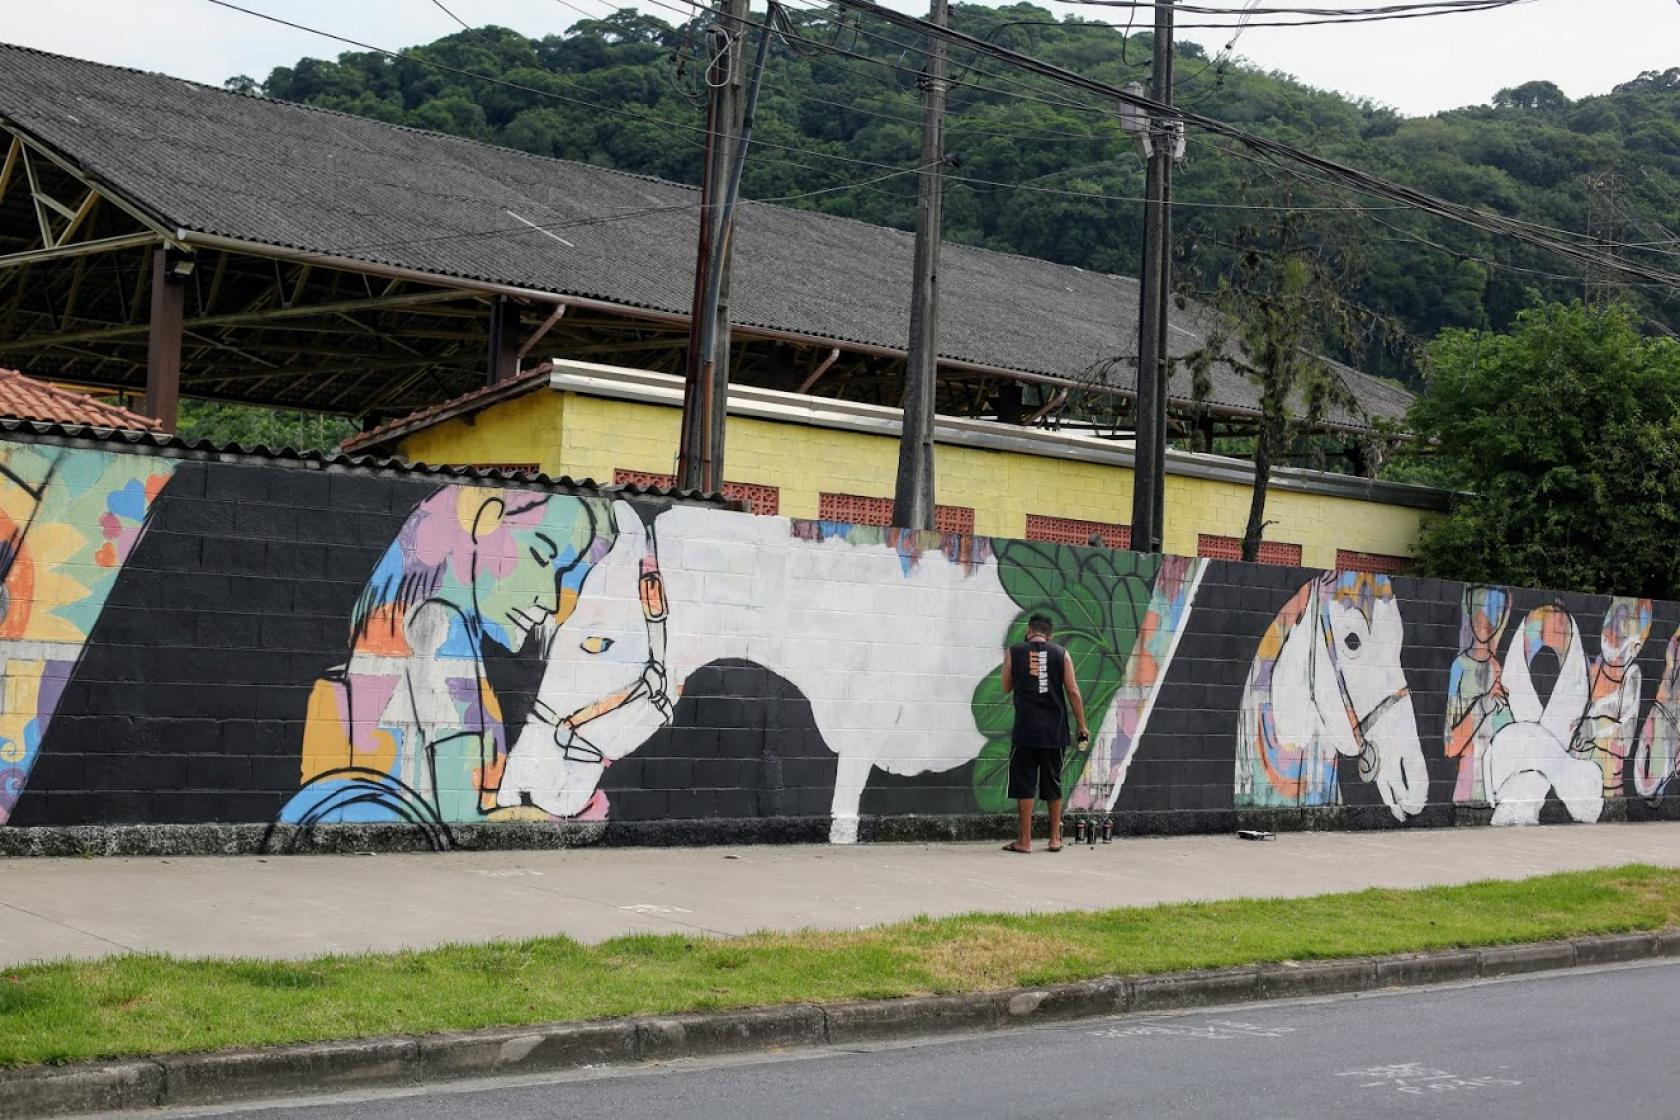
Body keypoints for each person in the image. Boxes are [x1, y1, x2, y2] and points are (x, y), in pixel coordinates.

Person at [999, 613, 1088, 852]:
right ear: (1049, 635)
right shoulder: (1062, 654)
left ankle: (1025, 841)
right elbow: (1073, 691)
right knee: (1053, 783)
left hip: (1026, 730)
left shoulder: (1014, 652)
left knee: (1025, 784)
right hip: (1054, 730)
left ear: (1029, 630)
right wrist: (1082, 725)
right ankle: (1054, 839)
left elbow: (1006, 686)